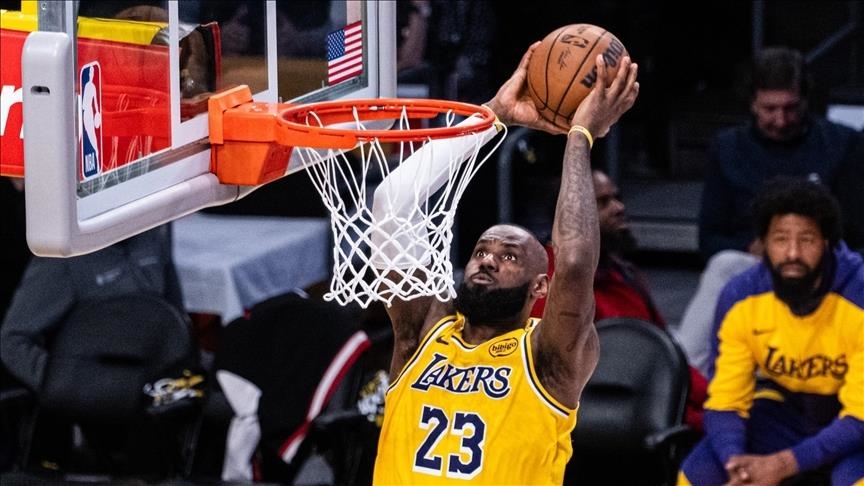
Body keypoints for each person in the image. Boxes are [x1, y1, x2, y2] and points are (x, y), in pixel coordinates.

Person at [370, 43, 640, 484]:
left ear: (540, 286)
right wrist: (493, 115)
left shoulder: (547, 356)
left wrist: (580, 137)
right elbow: (392, 201)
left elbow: (574, 262)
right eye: (481, 251)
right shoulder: (423, 331)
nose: (488, 261)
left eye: (509, 256)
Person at [676, 46, 864, 376]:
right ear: (752, 103)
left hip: (826, 264)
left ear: (805, 101)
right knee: (723, 263)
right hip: (754, 264)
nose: (781, 120)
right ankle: (682, 378)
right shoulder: (728, 147)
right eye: (770, 109)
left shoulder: (842, 143)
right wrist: (757, 246)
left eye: (791, 108)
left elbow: (858, 229)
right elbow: (709, 239)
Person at [677, 177, 864, 486]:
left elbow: (859, 417)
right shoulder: (741, 296)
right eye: (780, 239)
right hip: (787, 413)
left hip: (852, 426)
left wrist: (783, 464)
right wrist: (735, 463)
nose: (792, 253)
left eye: (807, 239)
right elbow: (725, 401)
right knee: (696, 475)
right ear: (762, 243)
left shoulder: (858, 297)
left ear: (826, 242)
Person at [530, 168, 708, 434]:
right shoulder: (547, 287)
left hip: (652, 402)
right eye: (603, 203)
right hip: (603, 422)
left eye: (617, 198)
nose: (619, 208)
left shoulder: (623, 274)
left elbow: (666, 355)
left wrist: (716, 401)